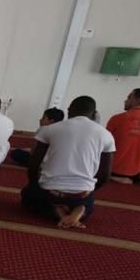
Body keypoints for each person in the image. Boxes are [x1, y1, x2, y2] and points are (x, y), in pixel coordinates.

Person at [20, 96, 115, 229]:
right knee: (89, 200)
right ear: (94, 114)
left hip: (51, 191)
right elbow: (105, 175)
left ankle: (58, 211)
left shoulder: (50, 129)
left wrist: (34, 184)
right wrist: (89, 189)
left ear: (69, 111)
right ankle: (79, 211)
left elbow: (33, 164)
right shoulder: (106, 134)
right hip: (81, 194)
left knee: (27, 195)